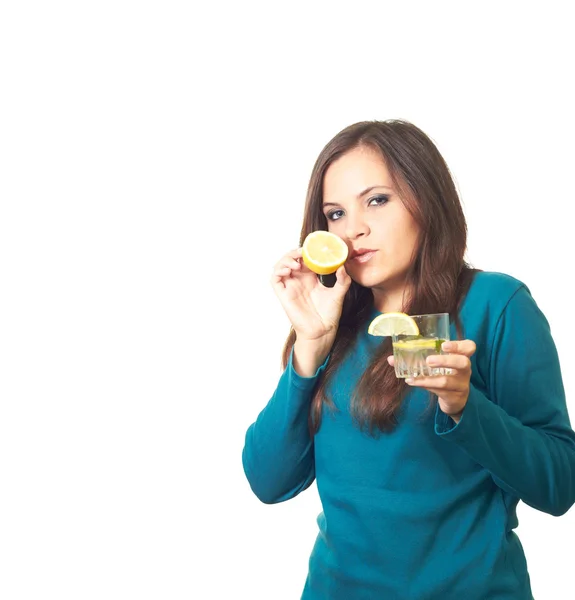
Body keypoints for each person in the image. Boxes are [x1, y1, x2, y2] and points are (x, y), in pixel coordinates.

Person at [241, 119, 575, 599]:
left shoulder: (494, 304)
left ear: (425, 199)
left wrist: (466, 407)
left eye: (377, 200)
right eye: (334, 213)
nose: (354, 228)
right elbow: (268, 481)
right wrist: (309, 346)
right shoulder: (333, 322)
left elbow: (560, 483)